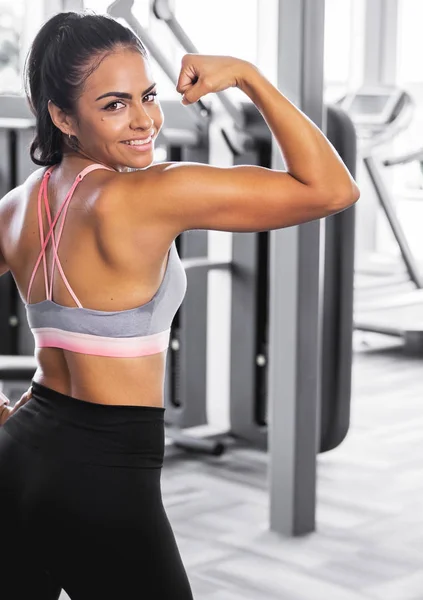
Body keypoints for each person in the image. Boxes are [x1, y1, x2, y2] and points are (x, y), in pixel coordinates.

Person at [0, 9, 360, 600]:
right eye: (115, 104)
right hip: (104, 476)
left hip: (18, 456)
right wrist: (247, 77)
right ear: (62, 116)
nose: (145, 121)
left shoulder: (16, 204)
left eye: (147, 95)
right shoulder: (148, 194)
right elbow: (331, 189)